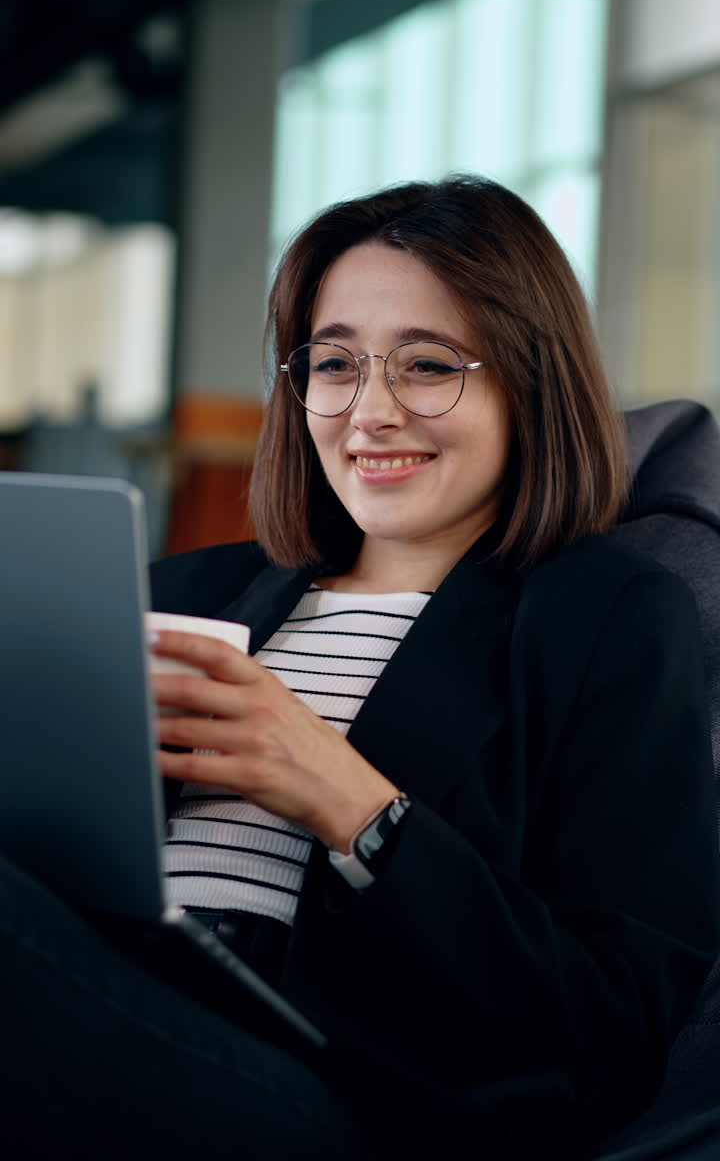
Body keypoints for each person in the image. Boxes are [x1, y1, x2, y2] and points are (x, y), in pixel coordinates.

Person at [2, 176, 719, 1160]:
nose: (369, 412)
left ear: (530, 381)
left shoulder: (607, 619)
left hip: (346, 1099)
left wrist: (350, 800)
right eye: (334, 363)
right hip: (102, 995)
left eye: (427, 366)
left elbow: (618, 1020)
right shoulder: (183, 591)